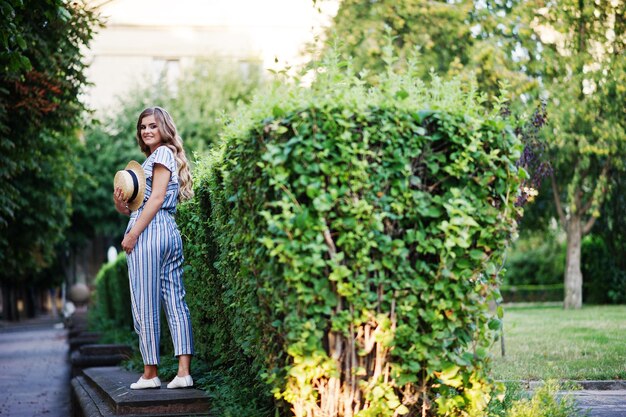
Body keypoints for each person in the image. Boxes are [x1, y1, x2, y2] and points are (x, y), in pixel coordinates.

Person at [113, 106, 195, 390]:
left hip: (149, 233)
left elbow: (157, 198)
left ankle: (150, 373)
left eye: (152, 126)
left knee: (144, 302)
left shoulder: (160, 155)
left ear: (164, 128)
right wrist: (120, 202)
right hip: (168, 231)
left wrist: (133, 234)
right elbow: (134, 208)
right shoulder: (161, 157)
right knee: (175, 300)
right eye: (143, 127)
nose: (147, 131)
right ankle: (184, 373)